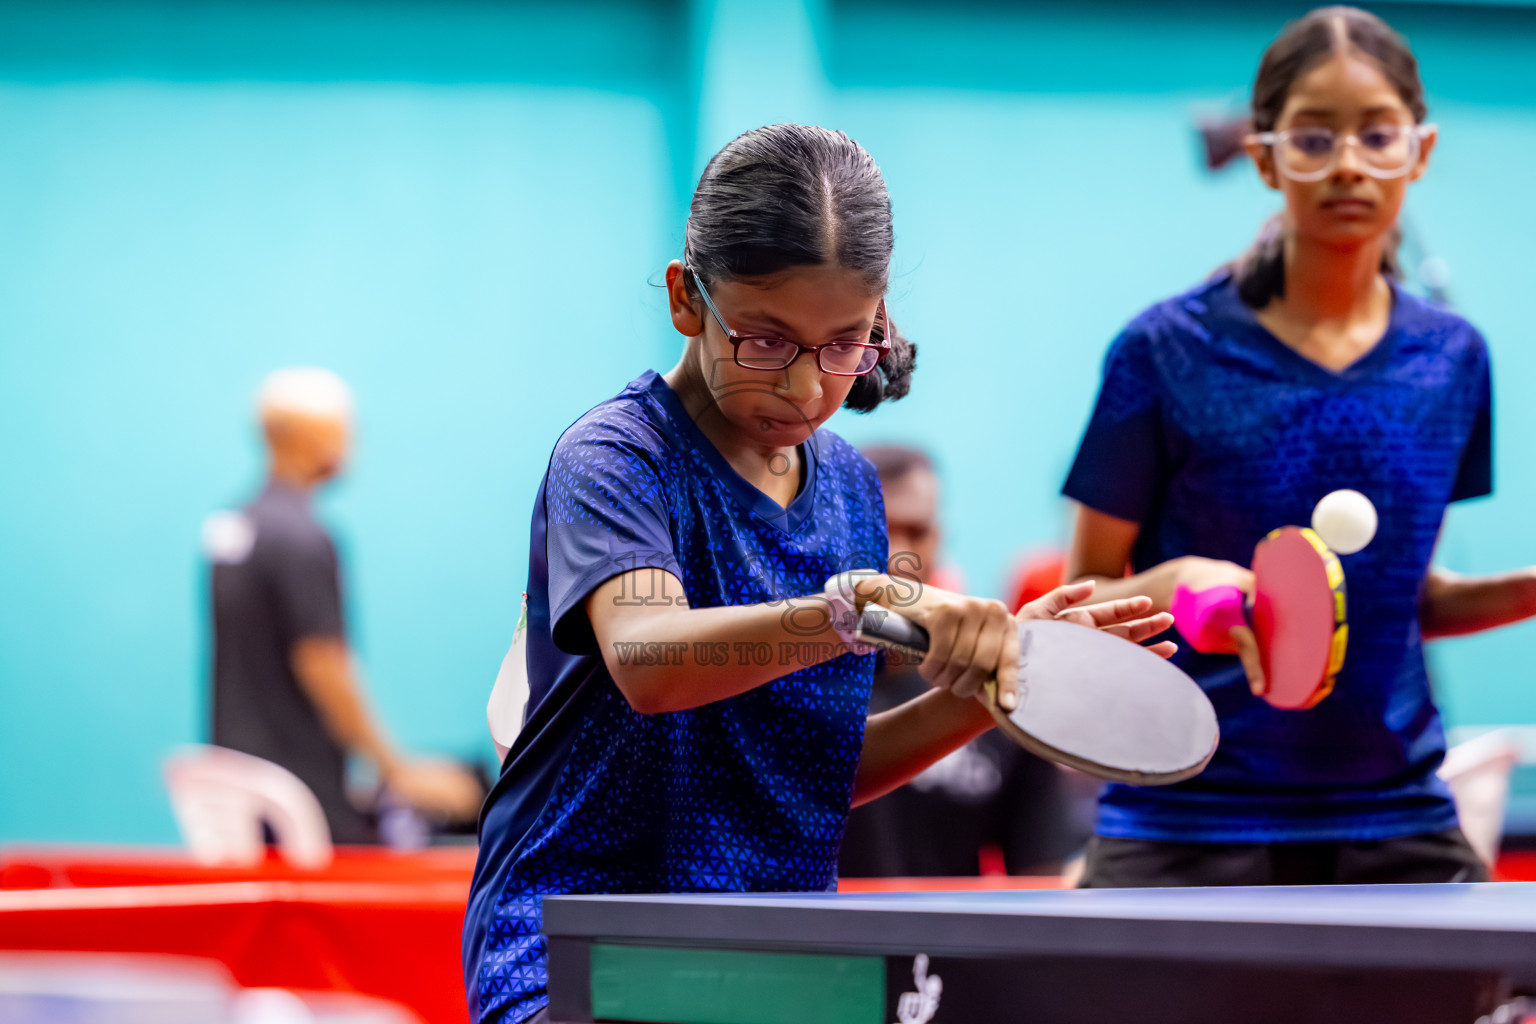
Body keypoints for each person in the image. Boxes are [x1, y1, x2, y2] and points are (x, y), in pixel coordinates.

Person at [462, 124, 1171, 1024]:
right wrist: (852, 607)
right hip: (587, 943)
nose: (806, 388)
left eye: (846, 344)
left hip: (778, 953)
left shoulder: (849, 488)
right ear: (687, 299)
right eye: (764, 341)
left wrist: (996, 690)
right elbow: (650, 660)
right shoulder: (616, 459)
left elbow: (810, 769)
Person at [1062, 7, 1536, 888]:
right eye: (1315, 137)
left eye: (1378, 135)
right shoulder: (1163, 351)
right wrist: (1177, 589)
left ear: (1419, 151)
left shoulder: (1453, 358)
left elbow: (1404, 601)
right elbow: (1082, 600)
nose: (1349, 163)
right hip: (1183, 816)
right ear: (1266, 156)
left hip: (1396, 817)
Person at [207, 367, 483, 844]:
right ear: (312, 434)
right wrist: (399, 769)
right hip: (299, 800)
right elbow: (324, 667)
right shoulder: (304, 540)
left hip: (236, 788)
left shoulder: (234, 530)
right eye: (344, 427)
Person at [838, 446, 1088, 877]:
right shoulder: (781, 683)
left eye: (914, 531)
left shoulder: (1000, 684)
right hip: (806, 940)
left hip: (949, 942)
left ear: (938, 539)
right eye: (876, 528)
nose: (896, 552)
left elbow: (1039, 875)